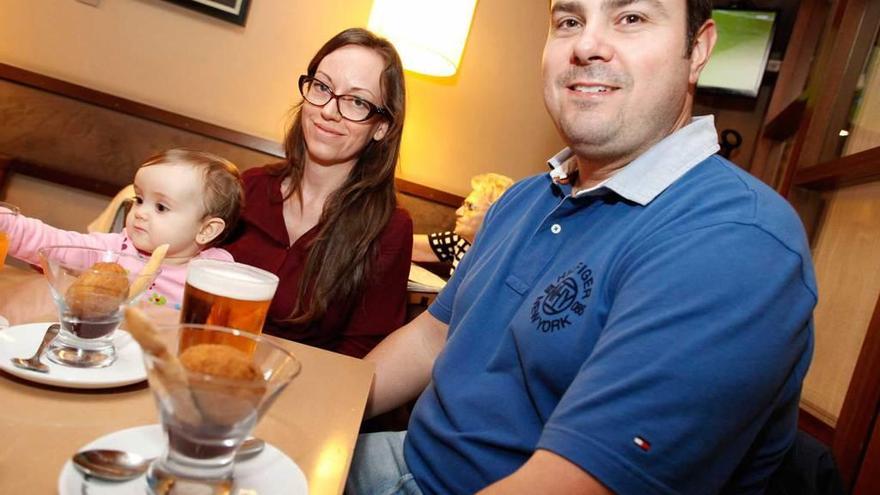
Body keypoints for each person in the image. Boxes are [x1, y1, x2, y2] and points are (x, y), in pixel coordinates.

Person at [347, 1, 817, 494]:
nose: (587, 45)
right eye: (570, 22)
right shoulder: (524, 198)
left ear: (696, 50)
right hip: (409, 456)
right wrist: (314, 408)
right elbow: (430, 338)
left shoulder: (735, 239)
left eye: (631, 17)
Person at [224, 28, 412, 359]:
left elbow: (359, 355)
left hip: (299, 396)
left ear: (381, 127)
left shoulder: (389, 229)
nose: (328, 110)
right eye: (323, 87)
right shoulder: (249, 187)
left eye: (357, 101)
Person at [0, 149, 241, 308]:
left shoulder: (215, 276)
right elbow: (53, 244)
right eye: (139, 199)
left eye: (160, 207)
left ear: (207, 230)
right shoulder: (113, 251)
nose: (140, 212)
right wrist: (7, 223)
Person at [411, 173, 513, 274]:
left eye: (469, 207)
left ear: (494, 217)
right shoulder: (462, 240)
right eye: (463, 205)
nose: (458, 212)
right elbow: (409, 245)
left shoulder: (500, 261)